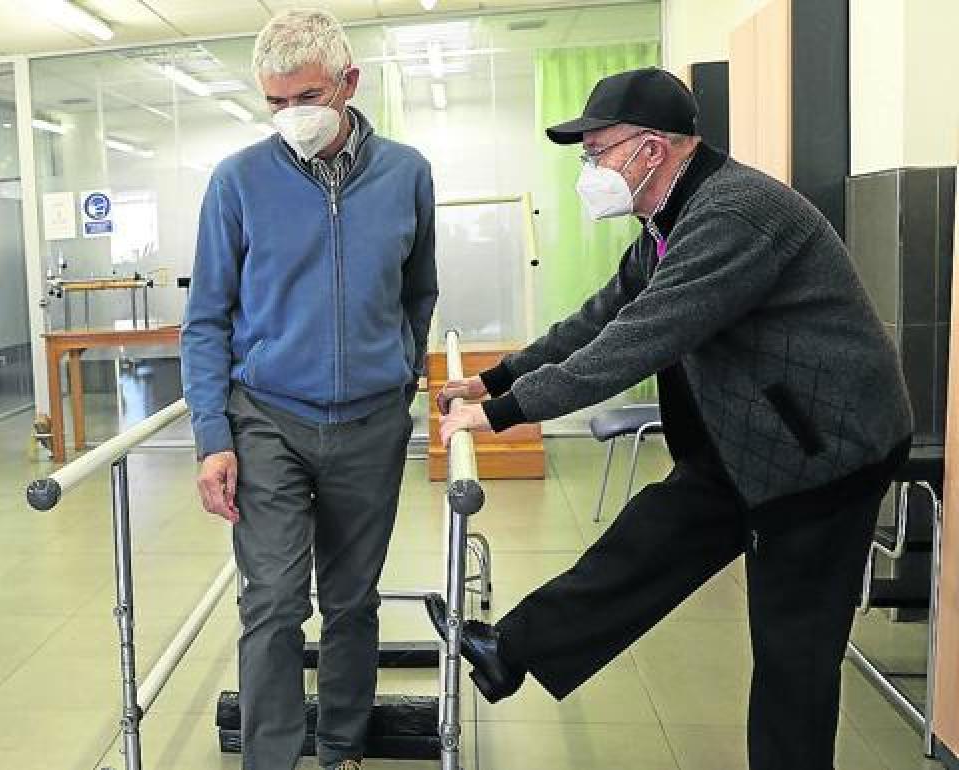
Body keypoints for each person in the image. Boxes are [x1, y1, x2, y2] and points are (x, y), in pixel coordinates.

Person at [425, 67, 912, 770]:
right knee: (649, 541)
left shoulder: (733, 215)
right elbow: (604, 314)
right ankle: (513, 651)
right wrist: (496, 375)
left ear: (650, 150)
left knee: (792, 654)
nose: (590, 168)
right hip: (749, 436)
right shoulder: (669, 217)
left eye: (598, 151)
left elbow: (639, 339)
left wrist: (501, 415)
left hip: (824, 450)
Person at [181, 9, 438, 769]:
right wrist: (212, 437)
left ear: (349, 83)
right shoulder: (237, 182)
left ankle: (341, 751)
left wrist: (399, 381)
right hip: (268, 419)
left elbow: (417, 294)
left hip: (370, 423)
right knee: (273, 605)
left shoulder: (407, 174)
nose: (291, 116)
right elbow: (205, 321)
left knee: (353, 603)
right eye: (275, 102)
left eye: (307, 96)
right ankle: (271, 760)